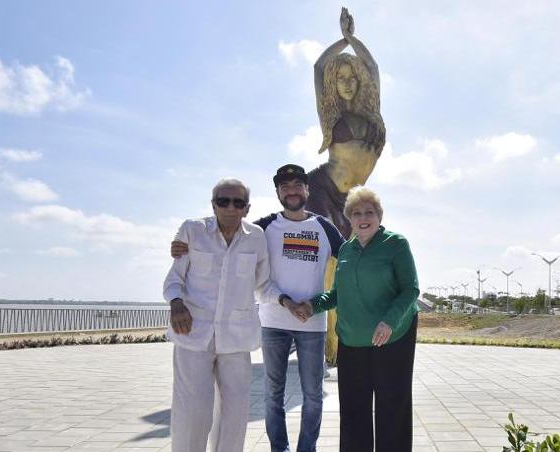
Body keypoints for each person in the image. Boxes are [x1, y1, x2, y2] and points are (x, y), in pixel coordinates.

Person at [171, 165, 344, 452]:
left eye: (297, 184)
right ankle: (279, 448)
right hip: (262, 325)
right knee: (262, 396)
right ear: (277, 192)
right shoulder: (257, 229)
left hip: (301, 327)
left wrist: (383, 244)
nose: (291, 190)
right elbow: (182, 270)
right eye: (284, 185)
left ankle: (306, 449)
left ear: (307, 190)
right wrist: (180, 256)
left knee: (304, 397)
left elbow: (352, 258)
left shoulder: (314, 228)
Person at [163, 178, 288, 452]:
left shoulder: (256, 237)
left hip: (237, 337)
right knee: (193, 413)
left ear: (247, 208)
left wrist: (287, 301)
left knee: (235, 415)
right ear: (213, 204)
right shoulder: (192, 230)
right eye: (223, 201)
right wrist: (176, 304)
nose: (230, 207)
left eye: (238, 202)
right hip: (193, 334)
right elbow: (174, 279)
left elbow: (263, 284)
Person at [298, 186, 419, 452]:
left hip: (393, 337)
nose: (363, 217)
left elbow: (411, 289)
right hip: (352, 340)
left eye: (369, 212)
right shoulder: (346, 251)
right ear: (349, 218)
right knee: (353, 409)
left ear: (379, 216)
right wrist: (311, 306)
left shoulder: (396, 244)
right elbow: (337, 295)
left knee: (391, 406)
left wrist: (389, 321)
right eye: (357, 213)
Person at [307, 8, 386, 238]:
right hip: (322, 188)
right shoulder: (330, 115)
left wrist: (353, 38)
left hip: (352, 196)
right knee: (329, 248)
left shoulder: (372, 113)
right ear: (333, 83)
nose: (347, 83)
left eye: (352, 77)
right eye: (340, 78)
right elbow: (319, 67)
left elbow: (372, 67)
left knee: (350, 253)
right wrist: (343, 39)